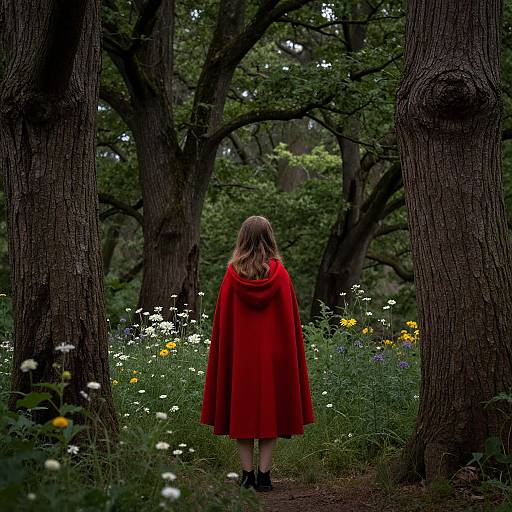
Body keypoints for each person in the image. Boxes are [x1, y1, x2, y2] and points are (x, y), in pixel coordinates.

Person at [199, 215, 316, 492]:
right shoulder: (281, 276)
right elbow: (289, 326)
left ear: (242, 239)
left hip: (241, 360)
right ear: (270, 238)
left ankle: (247, 475)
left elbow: (224, 328)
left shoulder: (231, 276)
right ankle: (265, 476)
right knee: (270, 415)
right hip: (274, 359)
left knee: (242, 416)